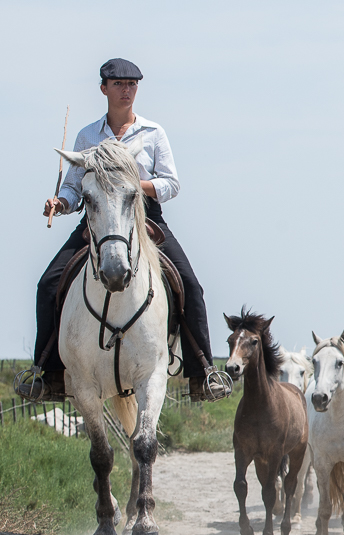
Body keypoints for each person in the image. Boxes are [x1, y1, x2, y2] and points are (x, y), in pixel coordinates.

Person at [17, 58, 224, 402]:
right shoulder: (87, 135)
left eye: (132, 84)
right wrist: (61, 203)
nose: (126, 90)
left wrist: (132, 185)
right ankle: (49, 375)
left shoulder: (153, 133)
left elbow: (171, 184)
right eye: (118, 84)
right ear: (104, 89)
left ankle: (202, 374)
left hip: (145, 217)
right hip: (97, 219)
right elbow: (73, 187)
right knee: (47, 283)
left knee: (191, 284)